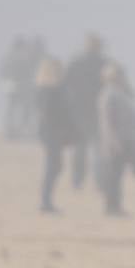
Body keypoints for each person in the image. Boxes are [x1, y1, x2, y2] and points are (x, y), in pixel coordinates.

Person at [96, 62, 135, 217]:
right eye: (118, 75)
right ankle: (111, 207)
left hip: (124, 140)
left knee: (117, 175)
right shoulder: (108, 95)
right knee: (114, 176)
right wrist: (114, 141)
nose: (121, 78)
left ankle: (115, 205)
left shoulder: (121, 93)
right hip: (115, 142)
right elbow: (107, 122)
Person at [62, 33, 108, 190]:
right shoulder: (105, 64)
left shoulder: (76, 62)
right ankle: (100, 182)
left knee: (80, 149)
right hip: (98, 111)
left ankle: (77, 181)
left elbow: (65, 85)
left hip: (79, 111)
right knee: (98, 150)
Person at [35, 56, 79, 214]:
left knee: (55, 166)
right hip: (52, 133)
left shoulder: (53, 88)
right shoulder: (50, 90)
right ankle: (46, 202)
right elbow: (50, 114)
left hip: (53, 133)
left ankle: (46, 201)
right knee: (53, 167)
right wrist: (62, 129)